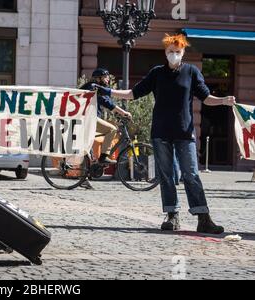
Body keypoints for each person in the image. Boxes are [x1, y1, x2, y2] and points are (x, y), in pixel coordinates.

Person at [100, 33, 236, 234]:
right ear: (165, 52)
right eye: (171, 51)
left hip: (185, 132)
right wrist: (108, 91)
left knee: (191, 174)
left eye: (178, 52)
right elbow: (133, 94)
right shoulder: (157, 73)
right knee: (167, 175)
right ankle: (172, 216)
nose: (174, 55)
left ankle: (203, 217)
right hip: (161, 132)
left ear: (183, 53)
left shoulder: (191, 72)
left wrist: (224, 100)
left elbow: (206, 98)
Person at [79, 68, 132, 189]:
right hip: (88, 119)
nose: (108, 79)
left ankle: (84, 178)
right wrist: (124, 113)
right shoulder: (93, 87)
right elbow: (108, 103)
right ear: (98, 78)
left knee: (87, 149)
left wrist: (119, 114)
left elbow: (107, 103)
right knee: (112, 129)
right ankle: (104, 156)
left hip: (87, 119)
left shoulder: (95, 88)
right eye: (105, 77)